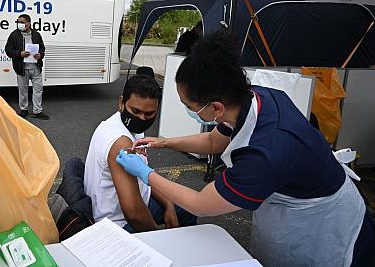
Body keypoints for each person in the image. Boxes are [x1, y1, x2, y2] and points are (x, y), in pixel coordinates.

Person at [116, 31, 375, 266]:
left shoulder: (264, 155)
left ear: (215, 108)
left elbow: (200, 203)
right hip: (297, 194)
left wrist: (144, 172)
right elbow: (213, 142)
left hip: (320, 223)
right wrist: (164, 142)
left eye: (190, 106)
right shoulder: (252, 98)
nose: (188, 110)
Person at [83, 74, 196, 233]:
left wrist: (168, 204)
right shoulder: (121, 143)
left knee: (187, 207)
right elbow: (134, 213)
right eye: (136, 111)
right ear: (121, 103)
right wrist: (161, 238)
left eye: (149, 114)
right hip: (117, 223)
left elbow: (144, 176)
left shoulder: (128, 127)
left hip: (140, 200)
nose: (142, 119)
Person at [4, 14, 49, 120]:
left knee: (38, 90)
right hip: (22, 68)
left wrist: (40, 55)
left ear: (28, 24)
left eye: (21, 22)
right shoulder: (14, 35)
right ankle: (23, 109)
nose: (19, 24)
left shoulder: (36, 35)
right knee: (23, 90)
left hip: (35, 67)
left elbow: (42, 49)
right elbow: (8, 51)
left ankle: (37, 111)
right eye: (18, 22)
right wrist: (20, 54)